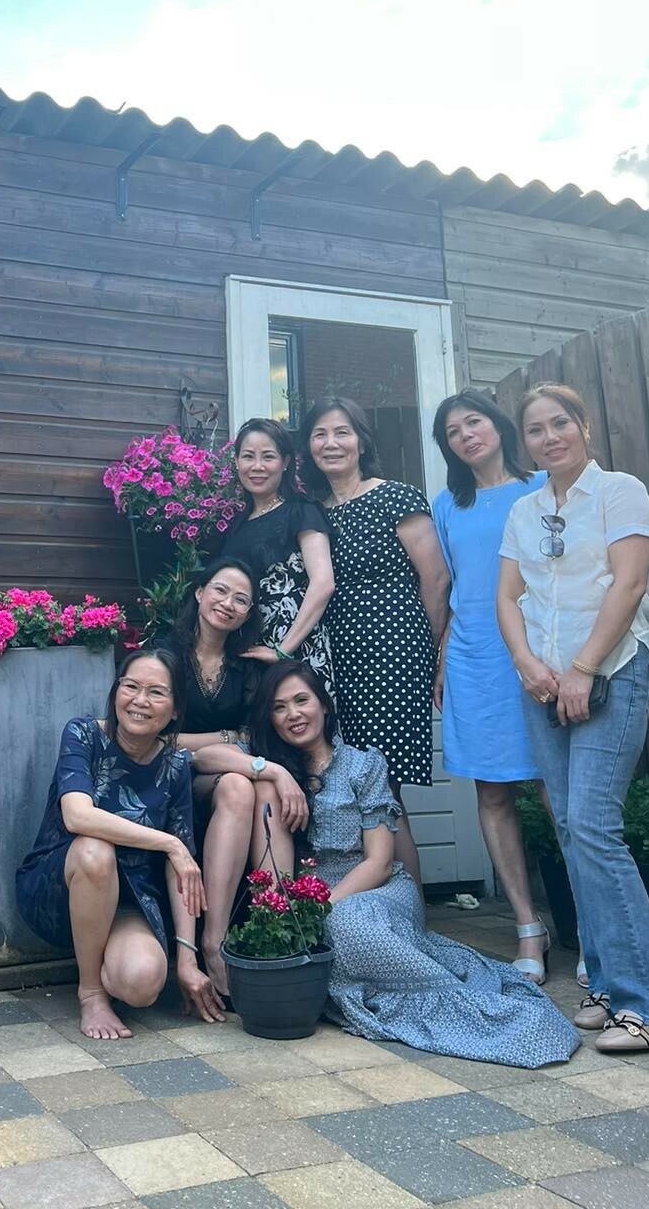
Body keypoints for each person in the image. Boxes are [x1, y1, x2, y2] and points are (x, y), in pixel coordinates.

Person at [252, 661, 580, 1067]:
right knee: (340, 926)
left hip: (378, 887)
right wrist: (271, 770)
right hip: (318, 893)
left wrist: (320, 909)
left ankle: (456, 1004)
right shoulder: (275, 773)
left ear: (324, 705)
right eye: (279, 707)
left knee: (346, 923)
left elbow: (379, 863)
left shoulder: (363, 764)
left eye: (302, 700)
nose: (293, 714)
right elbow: (201, 757)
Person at [498, 383, 649, 1055]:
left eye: (560, 423)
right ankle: (605, 982)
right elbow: (507, 596)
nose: (550, 438)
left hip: (613, 669)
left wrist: (583, 668)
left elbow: (630, 584)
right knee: (571, 830)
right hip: (543, 683)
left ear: (584, 426)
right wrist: (527, 665)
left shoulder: (619, 492)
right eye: (536, 429)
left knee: (595, 826)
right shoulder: (524, 510)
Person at [16, 649, 222, 1039]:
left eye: (156, 693)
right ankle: (92, 993)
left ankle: (110, 956)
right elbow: (77, 816)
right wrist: (169, 843)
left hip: (129, 903)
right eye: (131, 687)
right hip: (59, 886)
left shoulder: (175, 766)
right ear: (116, 692)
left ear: (175, 709)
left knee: (143, 984)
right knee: (96, 850)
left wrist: (186, 959)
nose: (140, 700)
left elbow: (181, 873)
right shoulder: (83, 734)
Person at [303, 397, 449, 888]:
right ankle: (373, 905)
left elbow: (436, 579)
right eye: (320, 434)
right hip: (338, 661)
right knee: (355, 784)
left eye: (342, 432)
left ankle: (410, 913)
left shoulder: (396, 497)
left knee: (384, 787)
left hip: (393, 652)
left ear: (362, 442)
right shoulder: (315, 513)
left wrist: (430, 651)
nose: (331, 443)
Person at [430, 390, 550, 980]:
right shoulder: (448, 505)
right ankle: (528, 926)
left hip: (541, 652)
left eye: (473, 421)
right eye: (452, 432)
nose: (466, 436)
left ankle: (594, 929)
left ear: (498, 425)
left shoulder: (542, 486)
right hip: (476, 657)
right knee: (494, 792)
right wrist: (442, 660)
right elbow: (452, 589)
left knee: (556, 791)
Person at [152, 560, 307, 996]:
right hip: (170, 775)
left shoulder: (247, 666)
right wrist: (223, 738)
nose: (228, 604)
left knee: (255, 784)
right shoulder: (166, 654)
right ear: (200, 592)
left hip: (226, 775)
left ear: (248, 613)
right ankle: (214, 944)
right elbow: (157, 736)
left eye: (241, 599)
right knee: (245, 779)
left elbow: (255, 737)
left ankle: (276, 924)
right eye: (220, 591)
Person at [221, 417, 334, 686]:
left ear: (285, 462)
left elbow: (323, 583)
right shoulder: (237, 524)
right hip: (248, 652)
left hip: (295, 649)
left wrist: (283, 650)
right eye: (248, 456)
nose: (257, 466)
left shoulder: (302, 510)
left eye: (268, 457)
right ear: (236, 462)